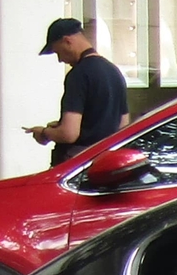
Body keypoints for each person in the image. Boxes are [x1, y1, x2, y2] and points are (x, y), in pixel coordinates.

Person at [27, 18, 128, 166]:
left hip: (77, 166)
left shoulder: (78, 75)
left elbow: (69, 134)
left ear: (67, 41)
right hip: (105, 162)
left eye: (58, 52)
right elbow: (122, 124)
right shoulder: (114, 71)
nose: (60, 60)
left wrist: (44, 133)